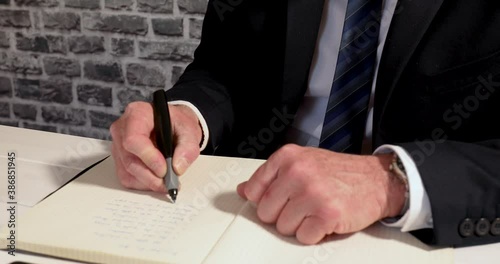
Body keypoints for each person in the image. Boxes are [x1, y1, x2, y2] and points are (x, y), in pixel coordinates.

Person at [110, 0, 500, 248]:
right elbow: (224, 65)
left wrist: (391, 182)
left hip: (415, 234)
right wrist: (188, 112)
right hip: (249, 208)